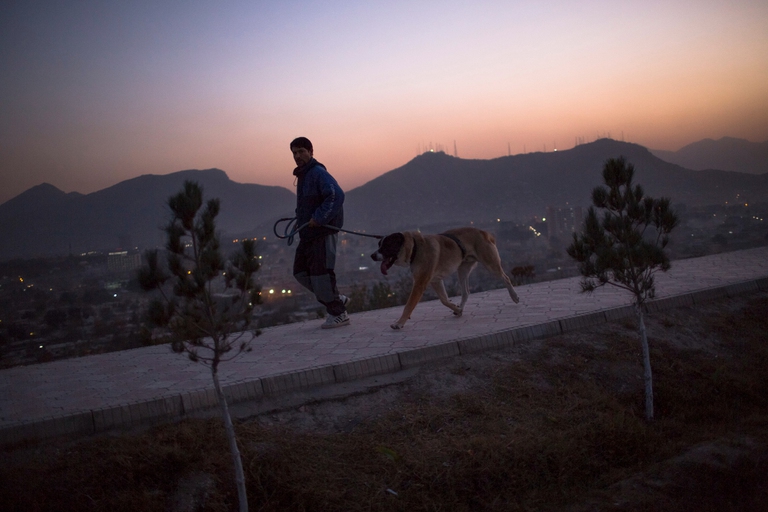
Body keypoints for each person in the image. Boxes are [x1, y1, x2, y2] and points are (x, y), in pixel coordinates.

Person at [290, 137, 350, 328]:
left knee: (320, 274)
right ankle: (335, 297)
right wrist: (299, 220)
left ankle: (338, 313)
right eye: (294, 153)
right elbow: (307, 204)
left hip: (322, 232)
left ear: (311, 152)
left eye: (301, 151)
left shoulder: (317, 173)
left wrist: (319, 218)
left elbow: (336, 195)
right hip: (308, 233)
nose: (297, 156)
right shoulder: (304, 176)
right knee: (300, 272)